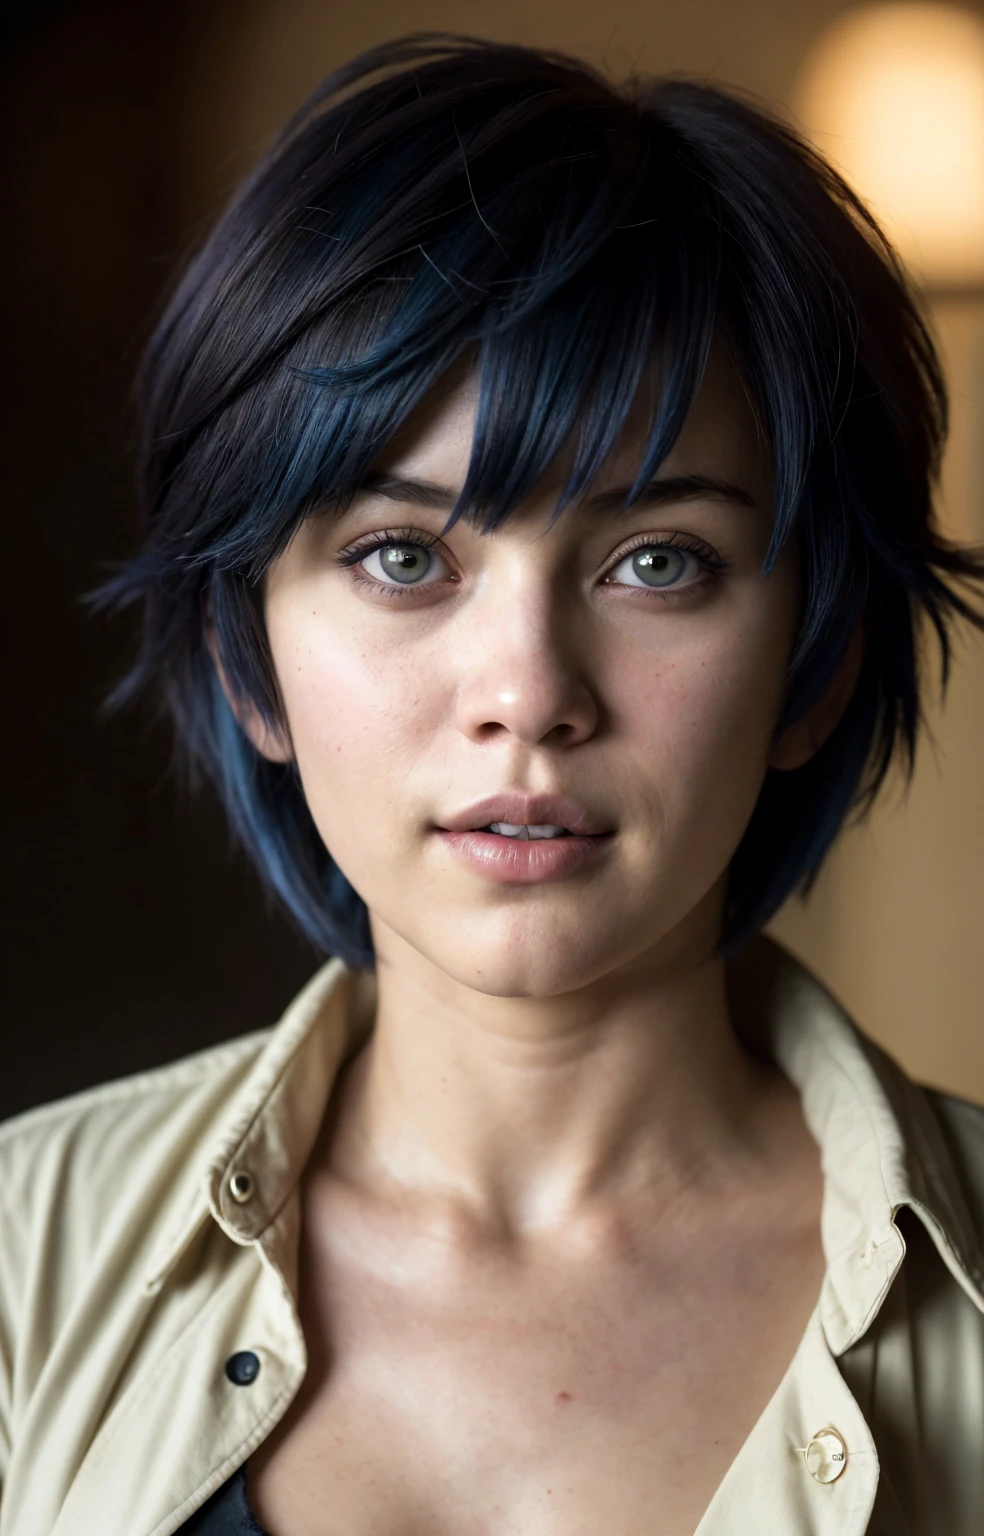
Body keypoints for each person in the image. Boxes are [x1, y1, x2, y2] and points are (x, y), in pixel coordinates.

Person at [1, 32, 983, 1536]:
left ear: (818, 661)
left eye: (659, 562)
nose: (528, 690)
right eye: (403, 559)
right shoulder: (21, 1263)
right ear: (247, 657)